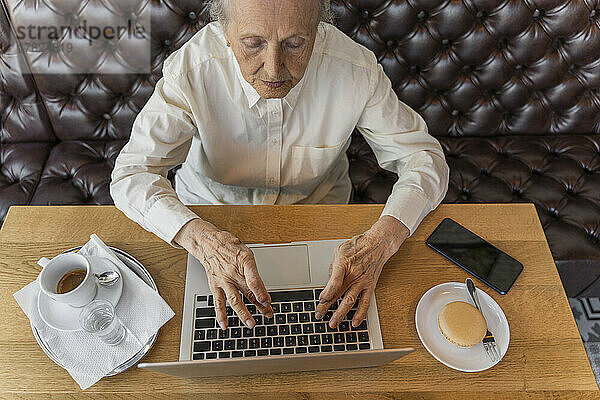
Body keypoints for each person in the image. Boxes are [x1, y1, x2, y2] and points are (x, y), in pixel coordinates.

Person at [110, 0, 449, 332]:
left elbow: (425, 159)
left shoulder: (356, 69)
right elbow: (132, 173)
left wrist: (382, 241)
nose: (274, 68)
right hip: (210, 219)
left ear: (318, 30)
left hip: (320, 222)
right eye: (253, 43)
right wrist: (200, 239)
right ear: (225, 31)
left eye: (295, 43)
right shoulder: (192, 69)